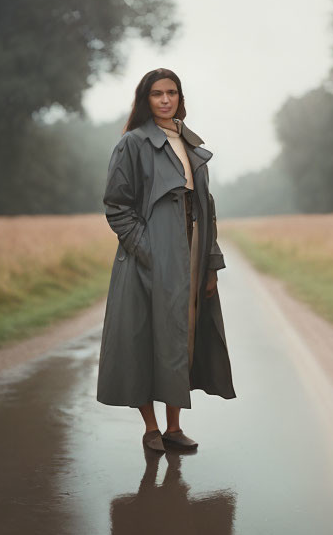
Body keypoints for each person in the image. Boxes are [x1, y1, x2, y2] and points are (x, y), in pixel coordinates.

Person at [97, 68, 235, 452]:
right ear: (145, 99)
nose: (164, 99)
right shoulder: (133, 143)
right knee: (143, 338)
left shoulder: (189, 143)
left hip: (191, 250)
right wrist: (149, 250)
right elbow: (117, 206)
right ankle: (151, 428)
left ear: (180, 98)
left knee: (182, 336)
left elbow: (206, 206)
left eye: (171, 92)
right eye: (156, 93)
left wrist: (210, 262)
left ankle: (175, 427)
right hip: (147, 259)